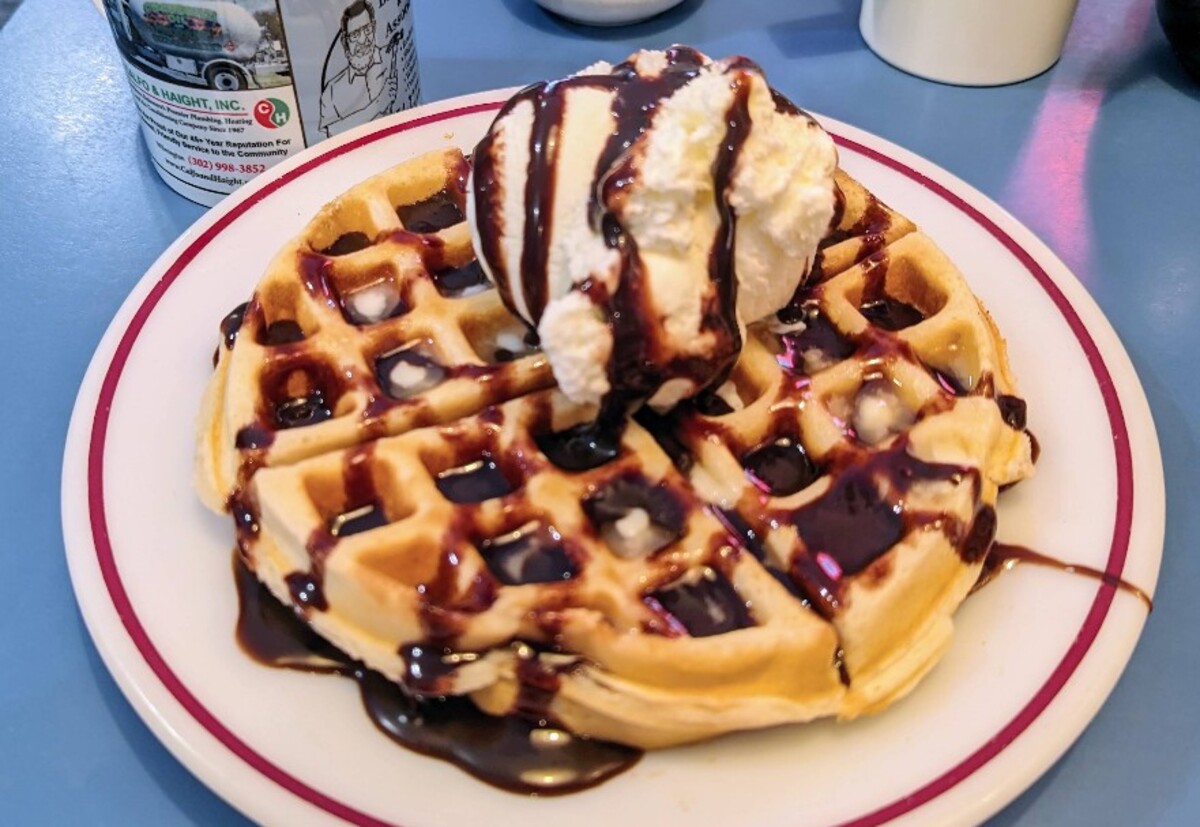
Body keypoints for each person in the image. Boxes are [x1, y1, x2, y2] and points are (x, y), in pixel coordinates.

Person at [317, 0, 395, 138]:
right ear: (345, 42)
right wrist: (378, 104)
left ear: (374, 27)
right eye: (355, 35)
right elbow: (332, 134)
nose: (363, 40)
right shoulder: (331, 91)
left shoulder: (393, 54)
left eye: (367, 29)